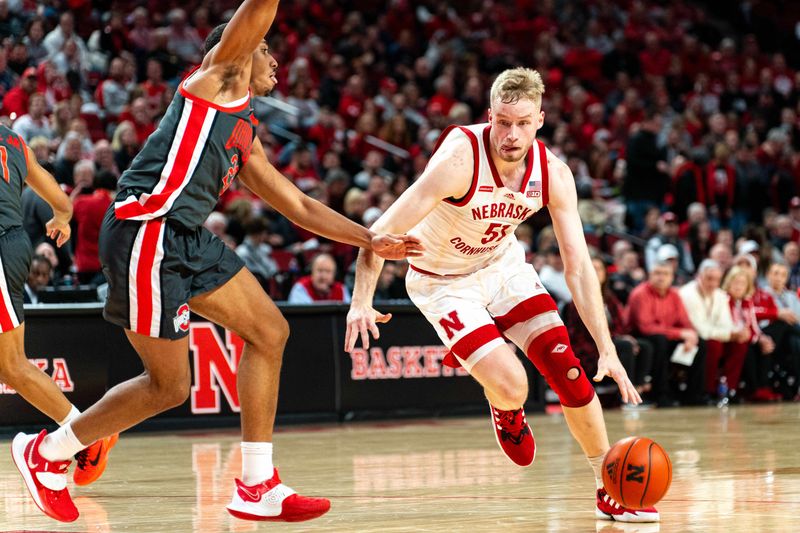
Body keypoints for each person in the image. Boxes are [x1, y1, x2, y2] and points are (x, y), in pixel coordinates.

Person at [12, 1, 421, 524]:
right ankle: (45, 453)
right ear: (241, 49)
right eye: (266, 48)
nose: (275, 59)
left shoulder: (243, 127)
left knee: (270, 331)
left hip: (183, 237)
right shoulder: (214, 82)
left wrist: (371, 238)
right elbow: (258, 14)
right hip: (145, 230)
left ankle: (256, 484)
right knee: (168, 387)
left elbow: (296, 205)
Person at [345, 68, 657, 522]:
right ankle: (504, 405)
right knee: (515, 385)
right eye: (503, 122)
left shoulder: (554, 174)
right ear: (489, 115)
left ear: (540, 120)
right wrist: (361, 300)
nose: (511, 134)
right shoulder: (459, 161)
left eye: (523, 123)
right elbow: (379, 233)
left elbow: (578, 266)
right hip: (441, 281)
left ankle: (608, 486)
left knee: (569, 371)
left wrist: (607, 348)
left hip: (501, 266)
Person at [0, 125, 117, 514]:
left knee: (11, 365)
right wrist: (62, 218)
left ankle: (85, 435)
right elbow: (55, 192)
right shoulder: (12, 138)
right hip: (14, 246)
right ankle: (87, 432)